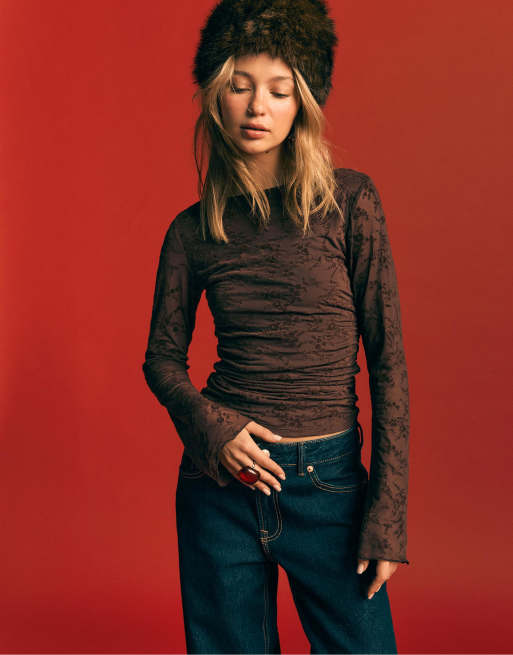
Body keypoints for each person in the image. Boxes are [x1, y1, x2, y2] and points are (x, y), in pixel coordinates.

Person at [142, 1, 411, 653]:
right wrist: (213, 428)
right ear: (217, 98)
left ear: (302, 104)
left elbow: (387, 361)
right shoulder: (190, 231)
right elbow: (161, 359)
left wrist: (386, 516)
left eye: (279, 89)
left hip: (328, 486)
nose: (257, 106)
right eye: (239, 86)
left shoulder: (350, 202)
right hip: (219, 489)